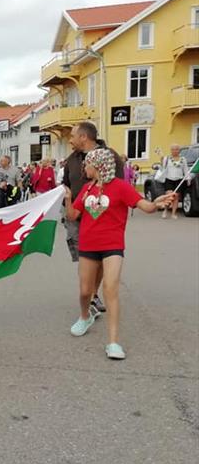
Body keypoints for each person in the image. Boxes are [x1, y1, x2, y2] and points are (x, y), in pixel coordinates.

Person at [63, 148, 175, 360]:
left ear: (98, 166)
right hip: (88, 245)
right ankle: (85, 316)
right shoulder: (87, 189)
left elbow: (145, 206)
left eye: (87, 164)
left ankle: (113, 342)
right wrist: (69, 199)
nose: (84, 168)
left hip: (112, 245)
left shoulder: (121, 187)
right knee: (85, 291)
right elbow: (73, 215)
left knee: (110, 289)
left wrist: (158, 202)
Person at [62, 121, 124, 315]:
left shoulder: (110, 156)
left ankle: (93, 295)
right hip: (77, 217)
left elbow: (120, 187)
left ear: (83, 137)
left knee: (99, 259)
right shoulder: (72, 160)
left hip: (102, 219)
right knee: (84, 259)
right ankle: (87, 293)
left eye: (72, 136)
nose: (70, 140)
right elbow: (66, 186)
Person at [161, 144, 188, 220]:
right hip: (169, 179)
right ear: (171, 150)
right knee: (169, 196)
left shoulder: (183, 159)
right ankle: (165, 210)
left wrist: (187, 178)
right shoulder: (167, 158)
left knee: (176, 197)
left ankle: (173, 213)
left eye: (176, 149)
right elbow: (163, 168)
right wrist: (162, 160)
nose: (175, 151)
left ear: (179, 150)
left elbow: (186, 170)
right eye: (173, 149)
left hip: (179, 180)